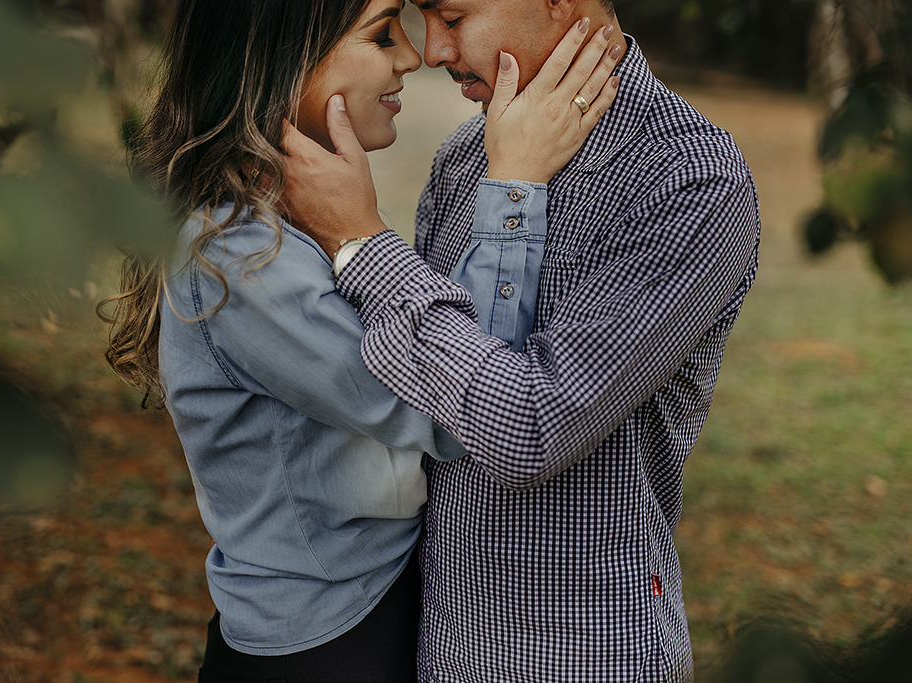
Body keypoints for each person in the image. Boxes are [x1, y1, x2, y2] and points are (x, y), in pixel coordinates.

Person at [99, 0, 619, 681]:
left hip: (372, 608)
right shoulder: (236, 255)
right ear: (287, 62)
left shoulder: (285, 216)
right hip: (326, 646)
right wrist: (514, 186)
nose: (412, 56)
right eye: (381, 35)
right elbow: (454, 407)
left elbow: (422, 343)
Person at [281, 0, 762, 681]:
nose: (435, 52)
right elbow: (433, 400)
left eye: (453, 16)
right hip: (436, 642)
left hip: (581, 655)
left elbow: (530, 428)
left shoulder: (689, 180)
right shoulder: (462, 157)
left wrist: (362, 244)